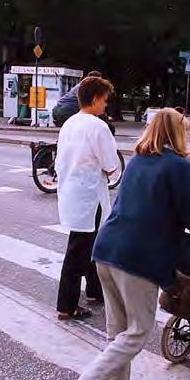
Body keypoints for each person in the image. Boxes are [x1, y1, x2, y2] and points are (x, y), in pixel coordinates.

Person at [70, 108, 190, 380]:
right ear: (177, 133)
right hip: (139, 256)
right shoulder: (180, 168)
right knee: (138, 331)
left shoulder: (137, 161)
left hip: (106, 248)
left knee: (117, 329)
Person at [55, 76, 121, 321]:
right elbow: (111, 165)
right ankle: (66, 305)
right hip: (89, 196)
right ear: (94, 99)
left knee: (92, 244)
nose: (106, 105)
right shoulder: (98, 126)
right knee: (78, 250)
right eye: (104, 100)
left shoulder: (69, 123)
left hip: (72, 192)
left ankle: (95, 290)